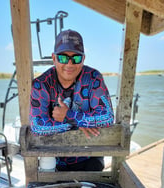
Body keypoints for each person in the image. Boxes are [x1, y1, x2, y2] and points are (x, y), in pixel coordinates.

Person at [29, 29, 114, 171]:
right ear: (54, 58)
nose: (69, 64)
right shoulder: (41, 84)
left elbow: (107, 117)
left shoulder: (93, 78)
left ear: (84, 59)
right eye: (63, 58)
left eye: (76, 58)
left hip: (90, 156)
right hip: (53, 160)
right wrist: (78, 123)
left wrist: (68, 116)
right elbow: (37, 126)